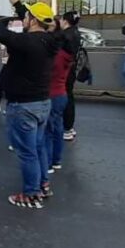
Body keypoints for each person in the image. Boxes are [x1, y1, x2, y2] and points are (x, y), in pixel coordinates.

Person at [0, 0, 59, 209]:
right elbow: (32, 22)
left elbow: (1, 33)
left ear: (33, 21)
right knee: (39, 147)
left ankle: (31, 194)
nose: (24, 19)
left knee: (27, 152)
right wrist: (18, 4)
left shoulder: (26, 42)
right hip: (43, 103)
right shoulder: (50, 40)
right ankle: (43, 184)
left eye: (27, 17)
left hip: (23, 106)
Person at [45, 18, 75, 175]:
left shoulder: (52, 56)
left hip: (50, 94)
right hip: (61, 93)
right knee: (57, 129)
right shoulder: (66, 55)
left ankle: (48, 163)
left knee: (47, 132)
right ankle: (56, 161)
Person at [60, 11, 83, 141]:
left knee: (64, 98)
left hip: (64, 70)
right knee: (69, 96)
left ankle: (66, 128)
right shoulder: (76, 33)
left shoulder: (64, 36)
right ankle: (69, 127)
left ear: (65, 20)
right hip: (72, 69)